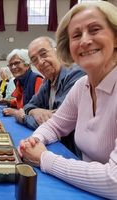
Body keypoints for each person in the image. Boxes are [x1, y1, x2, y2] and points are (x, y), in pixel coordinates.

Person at [18, 2, 117, 199]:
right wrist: (34, 141)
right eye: (76, 35)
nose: (85, 41)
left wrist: (44, 158)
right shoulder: (82, 85)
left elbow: (113, 182)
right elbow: (55, 125)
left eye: (95, 29)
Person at [2, 49, 43, 116]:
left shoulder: (37, 80)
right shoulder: (19, 81)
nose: (13, 67)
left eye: (16, 63)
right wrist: (9, 102)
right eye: (10, 65)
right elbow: (21, 102)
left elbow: (39, 109)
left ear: (27, 64)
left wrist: (15, 112)